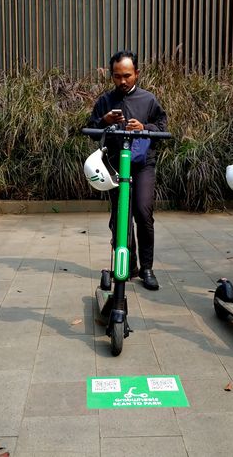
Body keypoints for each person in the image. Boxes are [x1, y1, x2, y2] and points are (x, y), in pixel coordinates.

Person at [88, 50, 168, 290]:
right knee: (121, 217)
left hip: (143, 164)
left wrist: (144, 127)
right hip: (114, 165)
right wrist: (104, 121)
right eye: (117, 76)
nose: (122, 81)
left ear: (137, 74)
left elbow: (163, 127)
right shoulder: (105, 101)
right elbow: (90, 129)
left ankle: (147, 269)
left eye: (127, 76)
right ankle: (128, 265)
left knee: (143, 213)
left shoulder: (148, 100)